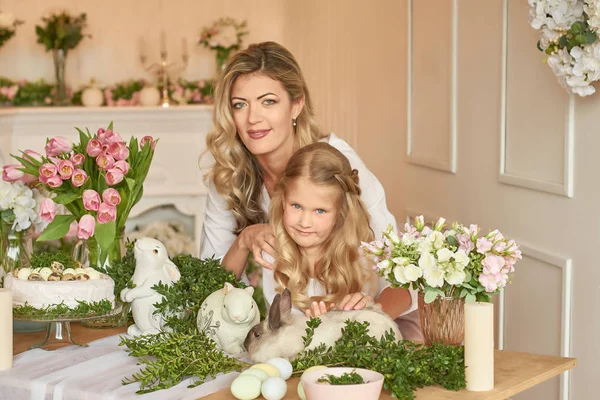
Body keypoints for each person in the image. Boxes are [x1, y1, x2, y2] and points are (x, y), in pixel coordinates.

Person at [200, 41, 419, 335]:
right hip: (299, 333)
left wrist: (363, 321)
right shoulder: (229, 175)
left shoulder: (336, 163)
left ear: (296, 105)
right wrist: (243, 241)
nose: (253, 118)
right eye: (240, 105)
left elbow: (404, 274)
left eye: (268, 102)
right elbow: (209, 286)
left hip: (380, 321)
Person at [260, 142, 385, 316]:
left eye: (320, 211)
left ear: (340, 211)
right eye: (296, 206)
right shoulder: (273, 254)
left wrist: (363, 307)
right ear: (283, 200)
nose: (305, 222)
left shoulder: (360, 258)